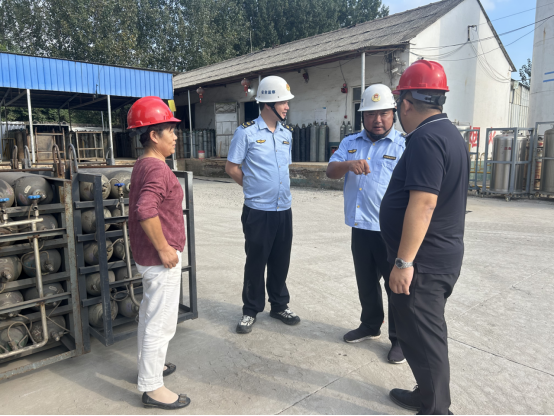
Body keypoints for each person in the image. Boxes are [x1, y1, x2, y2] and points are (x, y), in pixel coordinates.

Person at [380, 60, 470, 415]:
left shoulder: (426, 139)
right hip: (437, 258)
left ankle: (436, 409)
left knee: (426, 340)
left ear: (405, 103)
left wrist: (403, 263)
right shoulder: (448, 134)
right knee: (419, 336)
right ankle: (427, 395)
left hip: (423, 264)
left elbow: (424, 204)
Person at [326, 84, 406, 364]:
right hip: (360, 227)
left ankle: (400, 339)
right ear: (363, 116)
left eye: (383, 113)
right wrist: (349, 165)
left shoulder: (404, 145)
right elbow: (330, 170)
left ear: (393, 113)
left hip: (391, 232)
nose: (377, 120)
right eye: (371, 114)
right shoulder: (350, 143)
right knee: (366, 283)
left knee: (395, 287)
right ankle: (370, 324)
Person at [127, 96, 191, 411]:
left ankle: (149, 367)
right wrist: (165, 248)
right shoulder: (156, 168)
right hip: (159, 259)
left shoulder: (142, 164)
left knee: (150, 315)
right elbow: (145, 209)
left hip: (146, 256)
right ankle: (152, 387)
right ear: (154, 135)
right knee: (161, 323)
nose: (175, 137)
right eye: (171, 131)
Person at [225, 76, 300, 335]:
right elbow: (231, 167)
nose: (287, 107)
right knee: (256, 262)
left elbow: (284, 169)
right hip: (258, 211)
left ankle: (279, 305)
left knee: (281, 260)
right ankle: (250, 309)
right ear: (268, 103)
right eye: (283, 102)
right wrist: (252, 187)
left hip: (283, 209)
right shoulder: (245, 132)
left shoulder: (287, 134)